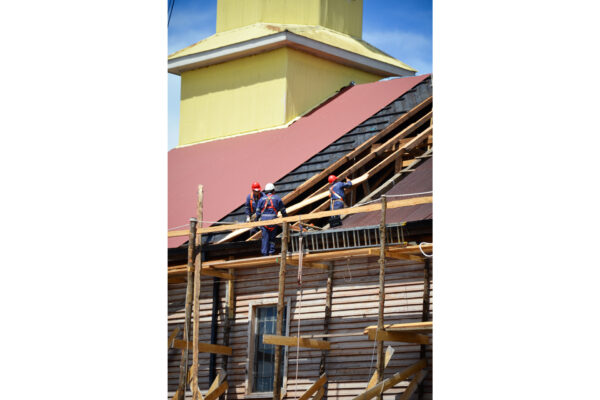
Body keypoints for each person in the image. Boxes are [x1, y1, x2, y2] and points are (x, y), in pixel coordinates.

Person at [255, 183, 287, 256]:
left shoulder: (261, 199)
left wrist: (256, 221)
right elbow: (283, 211)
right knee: (272, 238)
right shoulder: (277, 198)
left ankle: (264, 255)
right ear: (273, 190)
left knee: (265, 239)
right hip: (273, 221)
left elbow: (258, 213)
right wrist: (286, 218)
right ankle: (271, 253)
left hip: (264, 222)